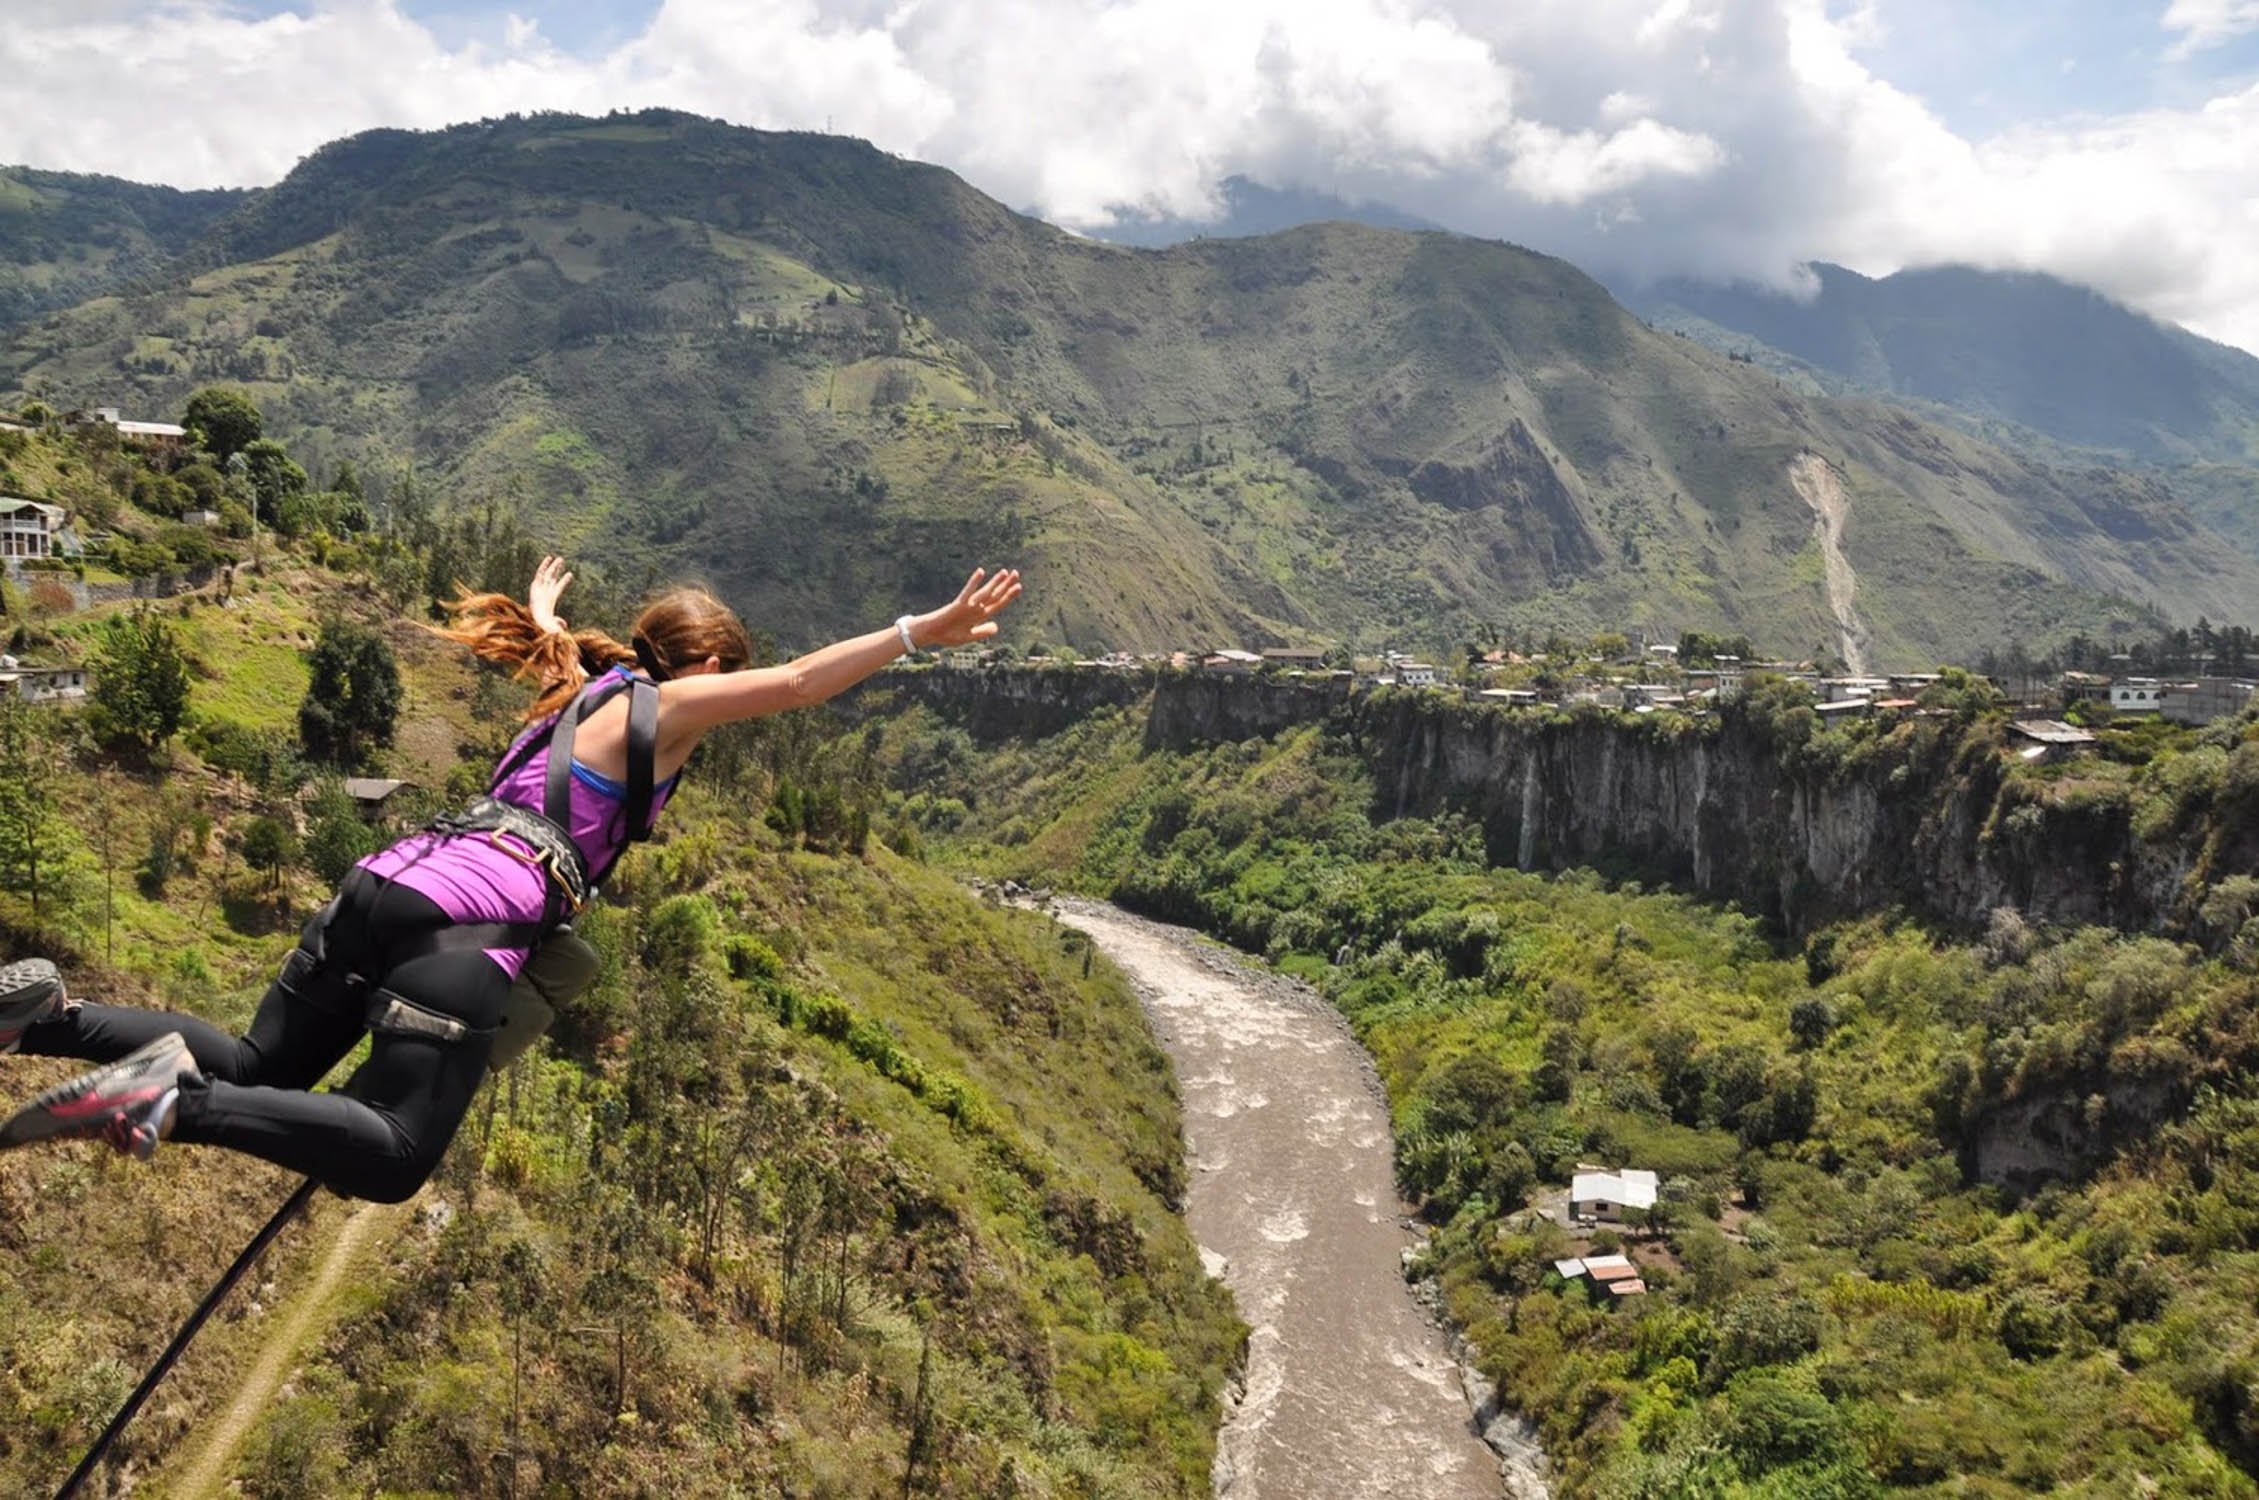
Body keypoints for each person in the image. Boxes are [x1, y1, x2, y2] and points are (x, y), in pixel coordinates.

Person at [0, 558, 1021, 1199]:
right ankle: (166, 1107)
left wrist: (542, 606)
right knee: (395, 1153)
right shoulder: (672, 710)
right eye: (726, 674)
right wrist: (915, 634)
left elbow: (555, 649)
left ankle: (45, 1017)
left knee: (259, 1062)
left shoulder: (582, 690)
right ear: (705, 667)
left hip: (387, 878)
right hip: (464, 925)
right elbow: (799, 685)